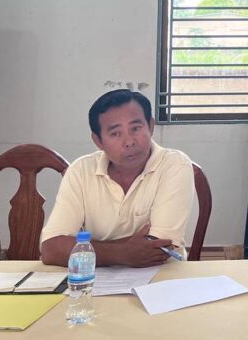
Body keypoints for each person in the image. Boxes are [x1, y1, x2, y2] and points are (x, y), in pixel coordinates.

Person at [40, 89, 194, 267]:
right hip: (96, 278)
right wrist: (122, 253)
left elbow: (159, 248)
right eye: (115, 133)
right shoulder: (81, 170)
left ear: (150, 126)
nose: (129, 142)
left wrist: (84, 247)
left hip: (162, 275)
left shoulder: (175, 164)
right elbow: (51, 249)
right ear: (98, 141)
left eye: (136, 128)